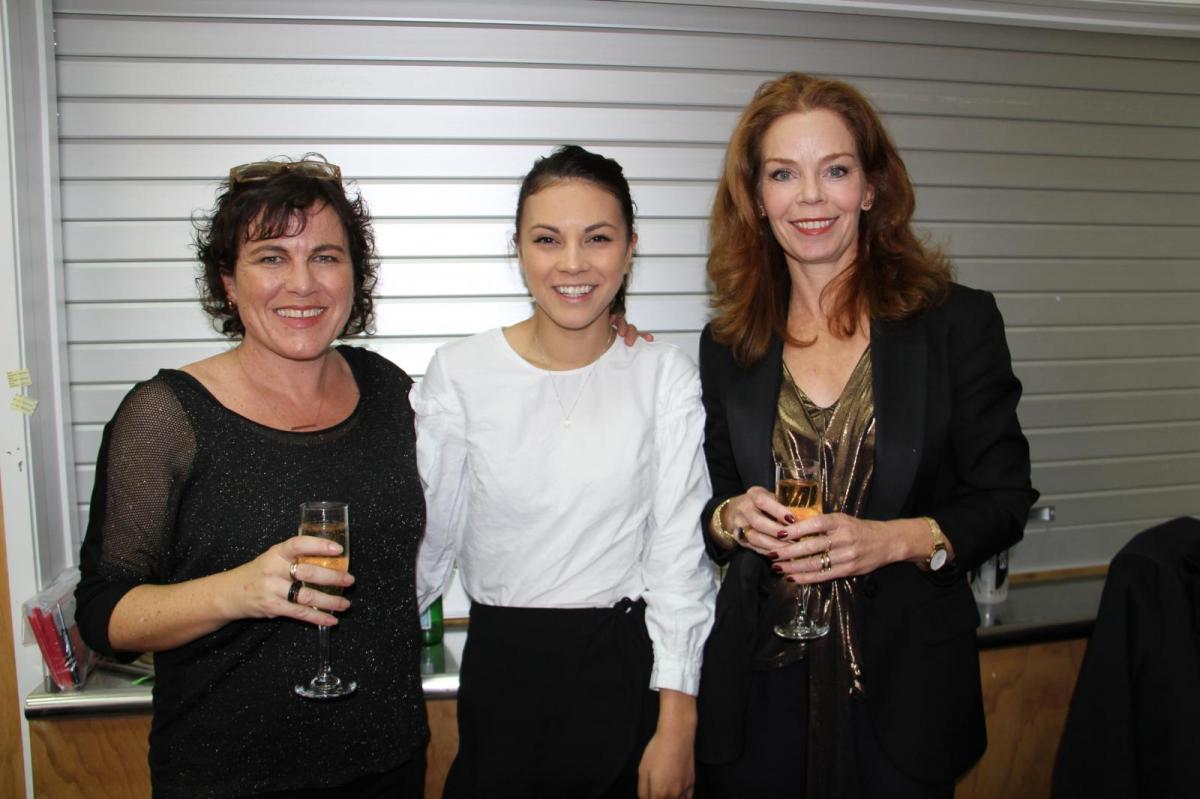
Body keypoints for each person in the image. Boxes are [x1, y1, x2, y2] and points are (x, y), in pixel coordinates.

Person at [694, 73, 1038, 798]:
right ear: (756, 197)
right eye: (783, 174)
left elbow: (1005, 499)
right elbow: (715, 503)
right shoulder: (729, 343)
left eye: (836, 170)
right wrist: (731, 518)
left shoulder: (956, 323)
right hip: (759, 692)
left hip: (904, 693)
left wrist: (894, 540)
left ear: (872, 187)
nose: (810, 198)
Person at [75, 155, 429, 798]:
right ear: (229, 282)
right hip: (226, 777)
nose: (303, 283)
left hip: (388, 763)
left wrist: (605, 339)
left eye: (325, 257)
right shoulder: (166, 416)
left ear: (354, 276)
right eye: (271, 257)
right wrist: (237, 591)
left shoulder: (389, 392)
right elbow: (104, 616)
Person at [415, 144, 716, 799]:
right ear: (518, 249)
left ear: (630, 249)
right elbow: (427, 545)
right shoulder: (460, 374)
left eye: (598, 238)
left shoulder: (663, 376)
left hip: (624, 672)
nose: (573, 263)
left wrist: (678, 723)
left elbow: (678, 560)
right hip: (502, 676)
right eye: (547, 239)